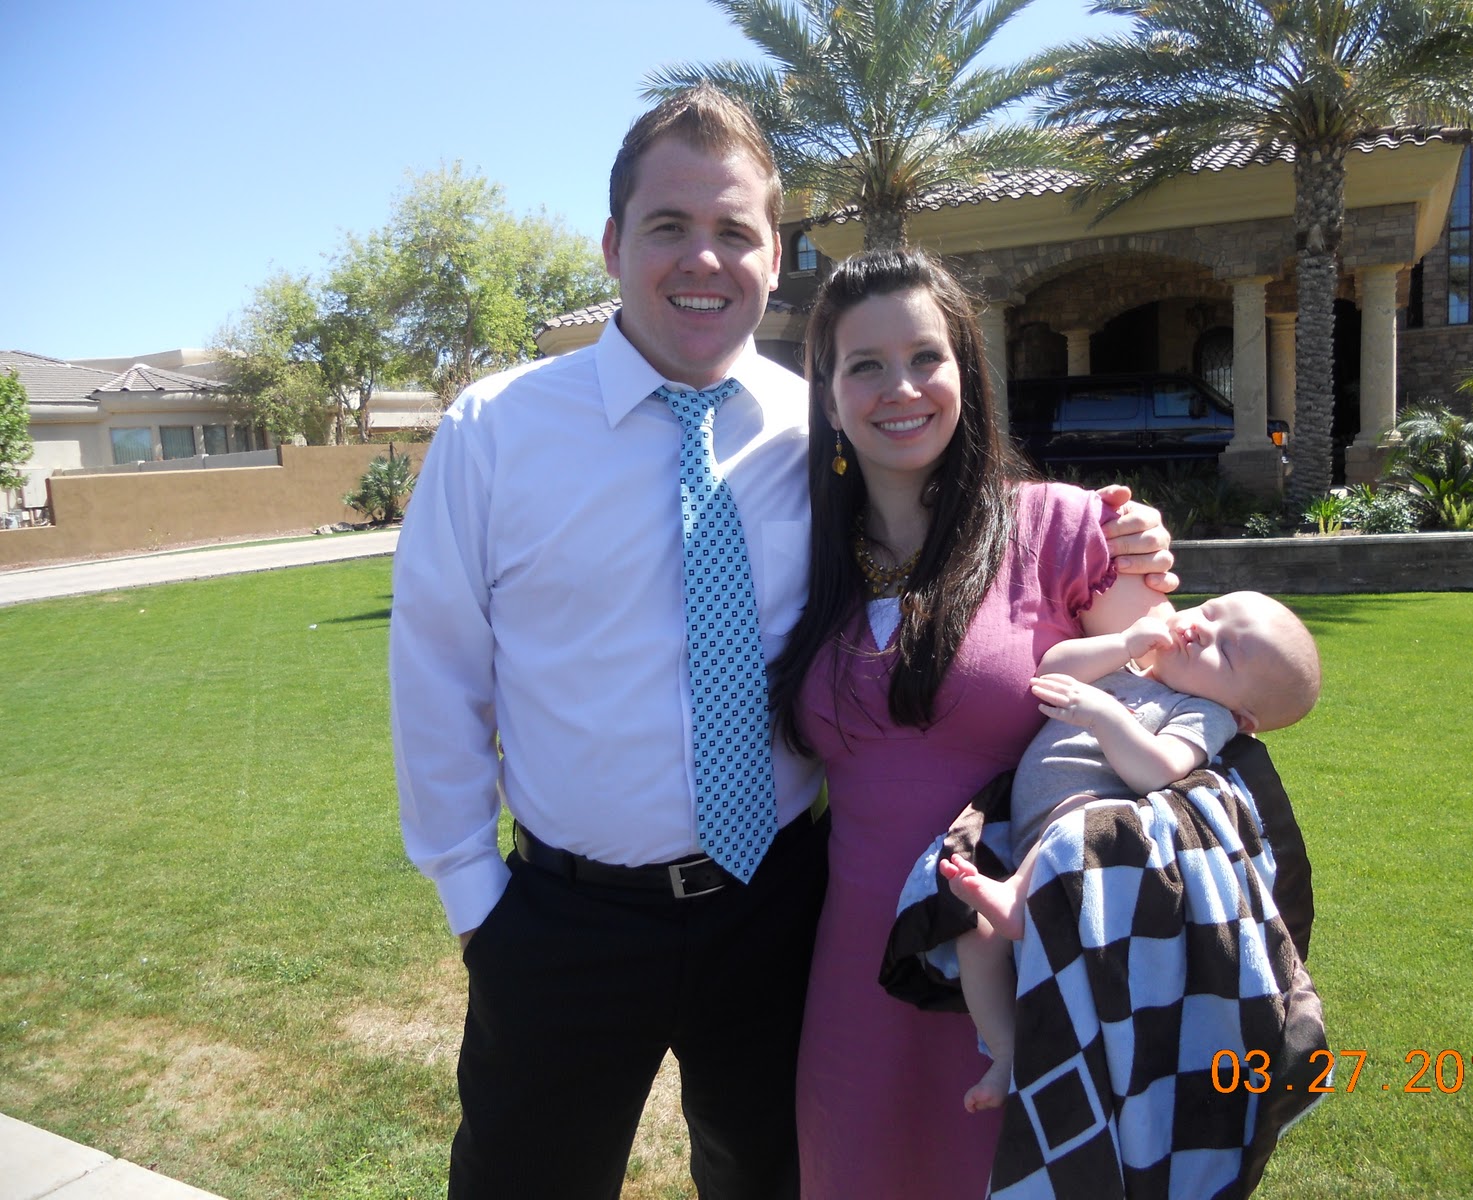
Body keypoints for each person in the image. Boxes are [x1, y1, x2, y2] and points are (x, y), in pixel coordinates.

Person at [390, 88, 1174, 1200]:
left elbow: (959, 533)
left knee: (772, 1180)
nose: (703, 259)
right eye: (668, 225)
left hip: (782, 912)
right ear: (613, 244)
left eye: (735, 230)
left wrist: (1117, 540)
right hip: (564, 925)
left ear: (773, 254)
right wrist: (479, 905)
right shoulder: (496, 432)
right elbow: (436, 676)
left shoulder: (826, 425)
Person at [767, 247, 1178, 1200]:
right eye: (864, 365)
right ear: (828, 398)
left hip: (1027, 958)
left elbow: (1179, 701)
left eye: (926, 357)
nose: (900, 388)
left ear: (966, 371)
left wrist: (1147, 559)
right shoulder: (807, 557)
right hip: (857, 977)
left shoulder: (1063, 528)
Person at [938, 590, 1323, 1112]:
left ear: (1242, 714)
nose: (1202, 630)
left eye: (1226, 651)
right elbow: (1051, 669)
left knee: (1077, 814)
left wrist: (1104, 715)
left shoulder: (1204, 713)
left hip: (1076, 832)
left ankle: (1013, 906)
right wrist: (1122, 643)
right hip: (1027, 836)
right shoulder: (1127, 664)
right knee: (974, 936)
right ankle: (1004, 1051)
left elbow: (1154, 770)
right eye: (1210, 612)